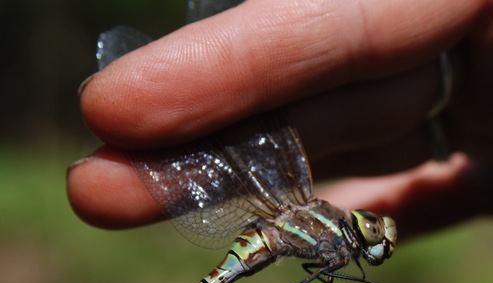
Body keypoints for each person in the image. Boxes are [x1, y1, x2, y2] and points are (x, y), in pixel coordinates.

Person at [67, 0, 493, 240]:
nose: (372, 231)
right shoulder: (321, 223)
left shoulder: (324, 224)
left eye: (371, 229)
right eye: (371, 229)